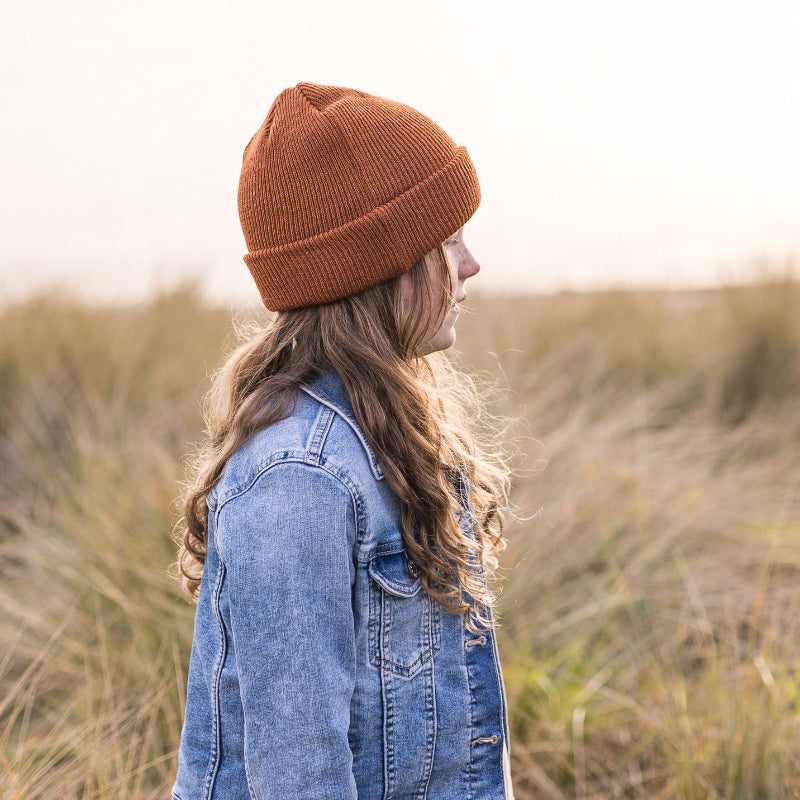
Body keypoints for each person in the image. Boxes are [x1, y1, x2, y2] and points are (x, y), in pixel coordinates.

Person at [172, 82, 514, 800]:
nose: (472, 262)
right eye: (448, 239)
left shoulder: (396, 432)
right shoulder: (300, 477)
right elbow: (300, 775)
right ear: (381, 266)